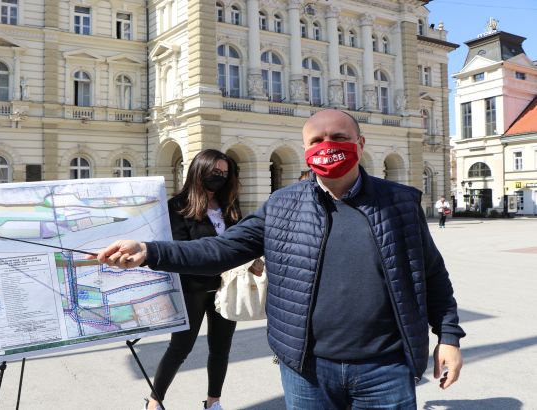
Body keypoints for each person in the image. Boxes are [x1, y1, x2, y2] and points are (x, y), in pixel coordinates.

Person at [98, 109, 465, 409]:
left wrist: (448, 337)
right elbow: (220, 251)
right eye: (317, 141)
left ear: (360, 143)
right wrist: (149, 251)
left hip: (384, 368)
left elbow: (431, 274)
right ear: (305, 150)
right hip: (306, 370)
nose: (328, 147)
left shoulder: (399, 201)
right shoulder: (282, 204)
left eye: (339, 138)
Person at [144, 149, 256, 410]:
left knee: (220, 349)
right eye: (215, 172)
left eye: (225, 173)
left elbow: (238, 243)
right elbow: (181, 249)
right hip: (192, 289)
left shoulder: (229, 205)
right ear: (199, 171)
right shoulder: (178, 206)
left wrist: (252, 258)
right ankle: (154, 401)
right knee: (180, 348)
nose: (220, 177)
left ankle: (213, 401)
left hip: (226, 287)